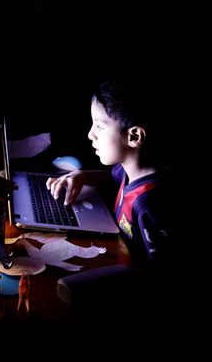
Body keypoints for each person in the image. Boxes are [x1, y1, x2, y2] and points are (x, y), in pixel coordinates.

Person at [45, 76, 178, 277]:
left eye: (99, 126)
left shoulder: (150, 208)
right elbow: (112, 177)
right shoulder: (128, 170)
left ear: (134, 137)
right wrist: (83, 176)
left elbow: (161, 278)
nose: (90, 134)